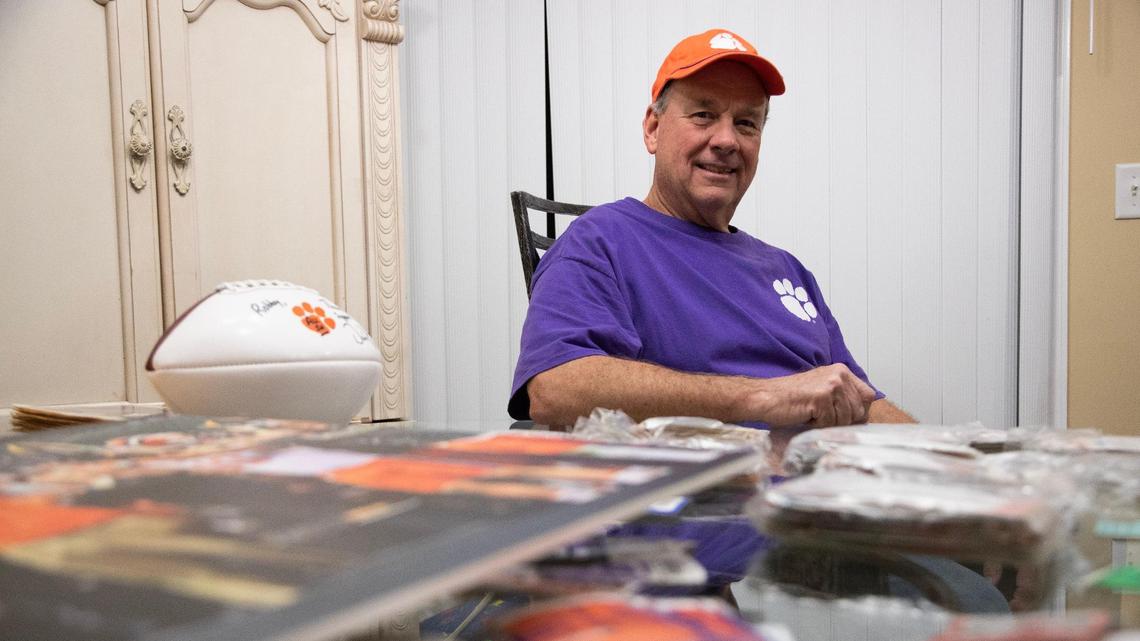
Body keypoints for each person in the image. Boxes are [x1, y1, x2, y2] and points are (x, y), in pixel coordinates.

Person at [509, 28, 913, 430]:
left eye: (746, 123)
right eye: (703, 115)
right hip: (708, 488)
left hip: (822, 482)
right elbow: (555, 387)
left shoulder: (787, 269)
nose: (726, 140)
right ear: (653, 128)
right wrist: (763, 396)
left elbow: (862, 402)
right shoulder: (602, 241)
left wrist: (953, 459)